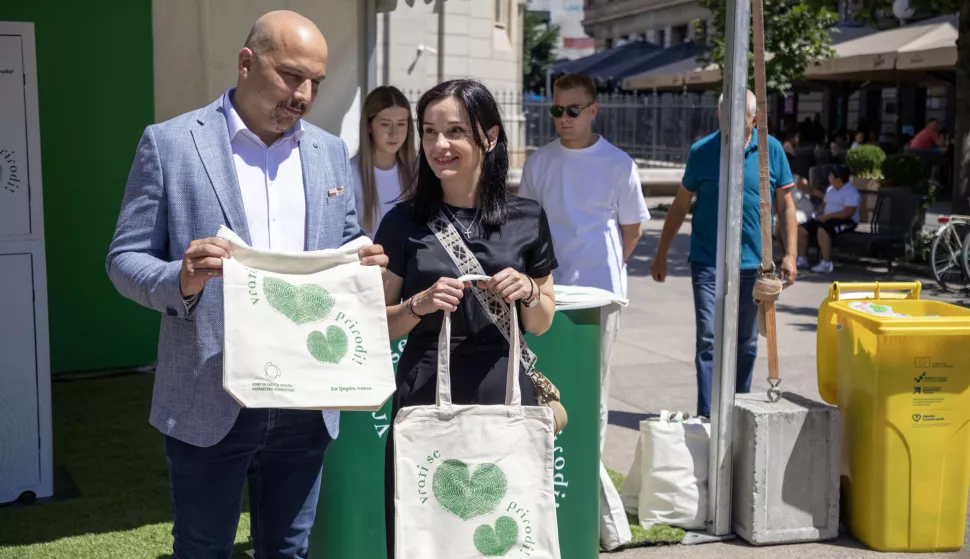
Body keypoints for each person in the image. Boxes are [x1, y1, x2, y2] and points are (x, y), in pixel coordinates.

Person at [104, 11, 388, 558]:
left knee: (287, 550)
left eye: (315, 82)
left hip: (308, 399)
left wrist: (363, 262)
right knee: (202, 548)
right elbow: (123, 259)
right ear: (246, 62)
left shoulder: (329, 153)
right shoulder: (170, 144)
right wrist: (180, 279)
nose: (303, 94)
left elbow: (346, 240)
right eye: (290, 75)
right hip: (210, 395)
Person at [376, 78, 558, 559]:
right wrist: (419, 304)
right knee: (424, 529)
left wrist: (529, 290)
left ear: (489, 137)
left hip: (504, 388)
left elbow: (541, 322)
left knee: (505, 529)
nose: (439, 145)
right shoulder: (402, 223)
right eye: (430, 131)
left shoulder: (527, 217)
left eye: (455, 130)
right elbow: (377, 325)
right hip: (424, 387)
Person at [516, 72, 647, 550]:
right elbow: (525, 225)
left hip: (599, 298)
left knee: (592, 403)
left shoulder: (618, 163)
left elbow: (631, 229)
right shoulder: (541, 161)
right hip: (546, 293)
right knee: (543, 398)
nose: (563, 119)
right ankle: (581, 513)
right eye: (556, 110)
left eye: (573, 110)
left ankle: (592, 516)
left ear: (594, 110)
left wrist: (603, 273)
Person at [650, 90, 798, 419]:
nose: (728, 120)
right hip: (708, 261)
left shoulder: (770, 150)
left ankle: (738, 409)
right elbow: (680, 205)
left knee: (746, 341)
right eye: (723, 113)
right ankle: (708, 416)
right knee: (708, 339)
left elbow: (786, 205)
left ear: (754, 119)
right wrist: (661, 253)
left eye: (736, 115)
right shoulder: (702, 151)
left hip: (755, 265)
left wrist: (791, 255)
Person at [352, 85, 417, 238]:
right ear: (369, 126)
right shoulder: (350, 173)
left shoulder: (419, 171)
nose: (394, 133)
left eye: (401, 124)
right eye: (385, 124)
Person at [797, 164, 861, 274]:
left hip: (846, 221)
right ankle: (802, 258)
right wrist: (817, 213)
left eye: (831, 176)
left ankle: (826, 262)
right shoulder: (830, 189)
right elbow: (824, 204)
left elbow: (848, 213)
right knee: (802, 228)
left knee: (823, 229)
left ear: (839, 180)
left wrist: (828, 216)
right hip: (827, 218)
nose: (829, 178)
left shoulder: (851, 192)